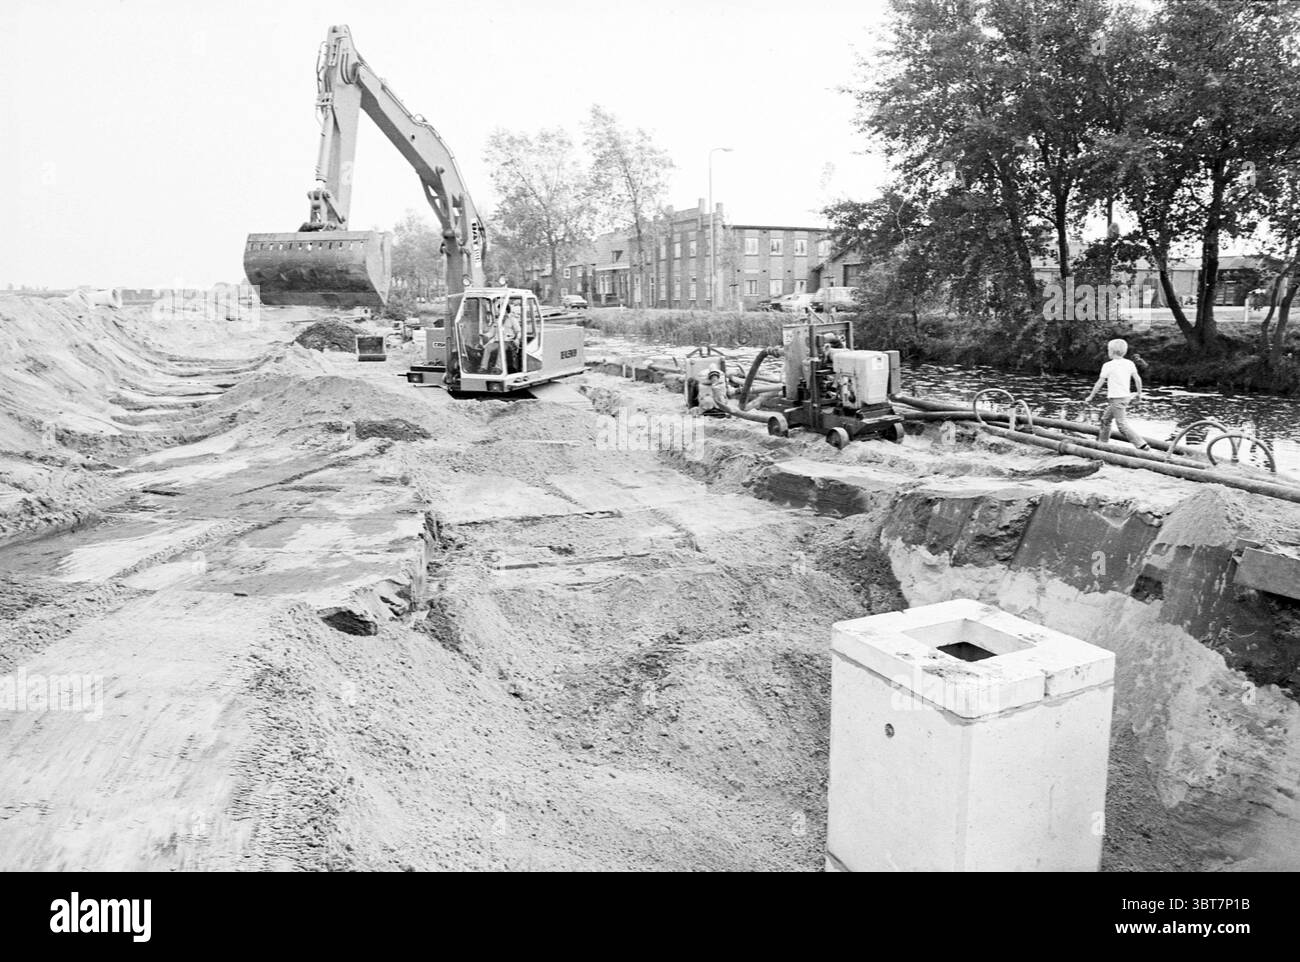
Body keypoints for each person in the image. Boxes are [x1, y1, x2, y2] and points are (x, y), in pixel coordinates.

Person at [1084, 338, 1150, 450]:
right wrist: (1139, 394)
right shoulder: (1129, 363)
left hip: (1117, 399)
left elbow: (1099, 383)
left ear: (1111, 351)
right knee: (1105, 420)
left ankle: (1141, 444)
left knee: (1122, 425)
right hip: (1125, 397)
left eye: (1108, 350)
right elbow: (1138, 379)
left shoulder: (1108, 365)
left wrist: (1091, 396)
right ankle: (1103, 444)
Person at [479, 303, 520, 373]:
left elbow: (518, 331)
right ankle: (483, 367)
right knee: (488, 347)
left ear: (506, 310)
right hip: (498, 342)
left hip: (509, 342)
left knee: (502, 347)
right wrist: (483, 335)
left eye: (500, 309)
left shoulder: (512, 319)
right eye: (498, 310)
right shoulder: (497, 321)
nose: (498, 311)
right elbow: (491, 333)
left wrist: (515, 339)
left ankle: (498, 368)